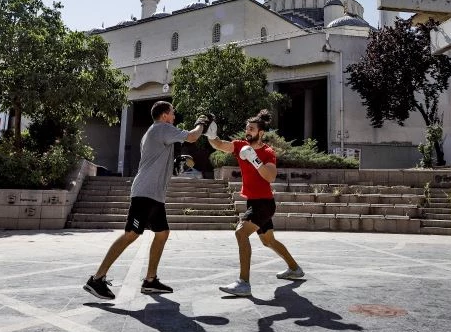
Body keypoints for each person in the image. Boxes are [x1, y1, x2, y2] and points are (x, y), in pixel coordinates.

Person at [83, 101, 209, 300]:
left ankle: (150, 281)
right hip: (145, 193)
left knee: (162, 233)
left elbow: (157, 159)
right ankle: (96, 279)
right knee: (131, 234)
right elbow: (193, 136)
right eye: (173, 113)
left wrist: (174, 165)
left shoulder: (156, 132)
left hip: (154, 195)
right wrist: (202, 123)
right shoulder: (162, 128)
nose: (174, 116)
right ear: (165, 115)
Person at [207, 109, 304, 297]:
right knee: (269, 241)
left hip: (264, 203)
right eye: (246, 128)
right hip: (253, 202)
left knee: (241, 233)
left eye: (251, 129)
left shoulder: (267, 152)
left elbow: (270, 176)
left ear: (260, 133)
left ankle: (244, 283)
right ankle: (295, 269)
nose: (247, 131)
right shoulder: (239, 146)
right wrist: (211, 135)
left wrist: (255, 159)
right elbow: (219, 145)